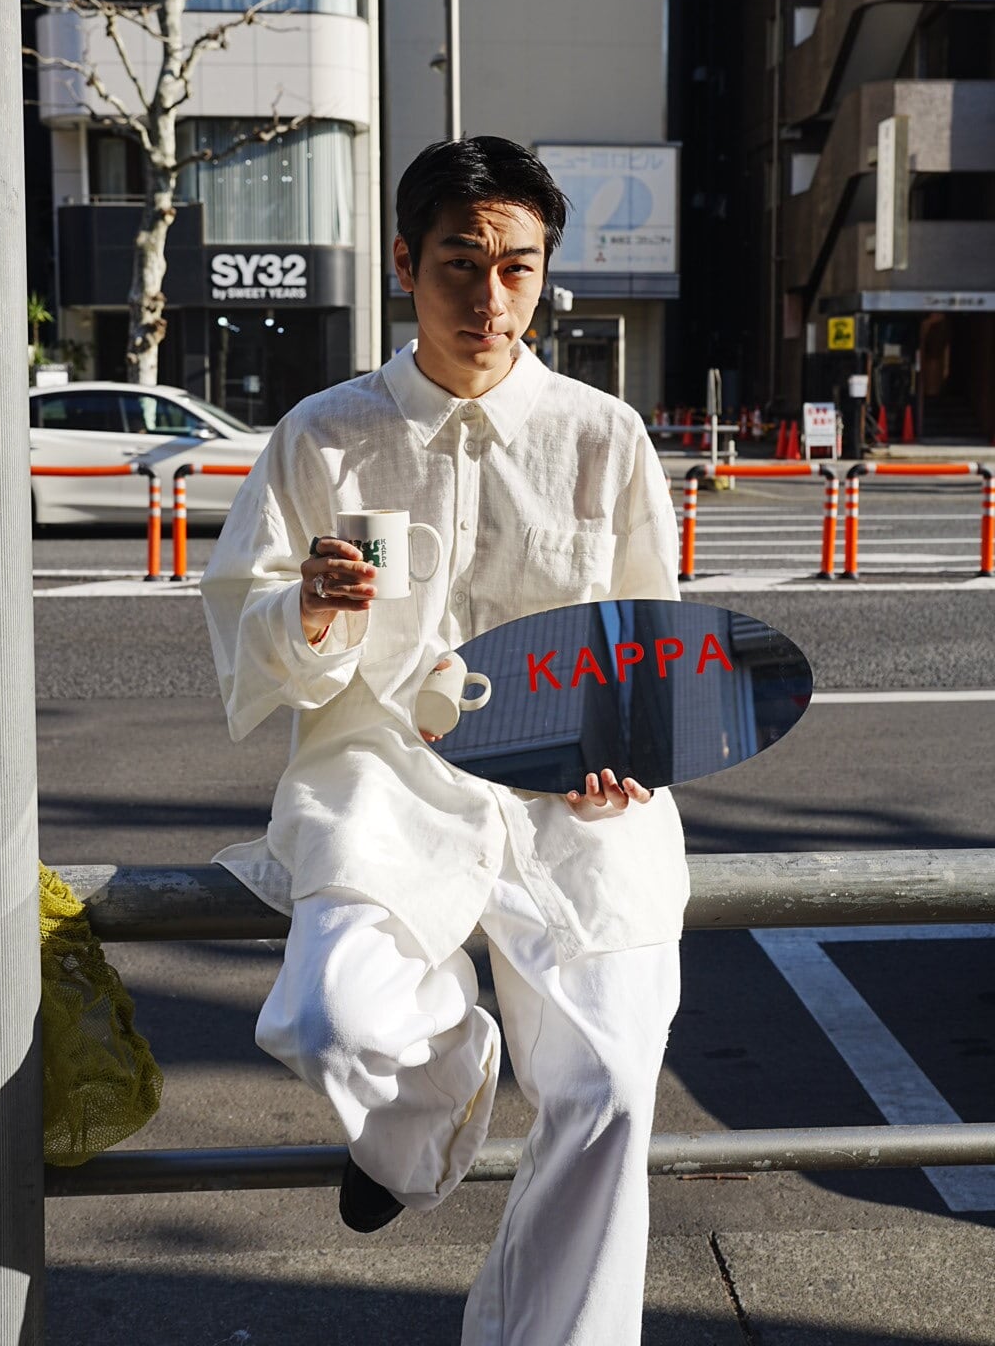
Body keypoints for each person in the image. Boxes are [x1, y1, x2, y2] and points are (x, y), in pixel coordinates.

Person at [200, 136, 688, 1345]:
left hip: (571, 797)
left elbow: (652, 637)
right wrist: (310, 610)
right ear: (405, 264)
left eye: (518, 266)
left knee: (612, 1092)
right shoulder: (323, 435)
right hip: (386, 779)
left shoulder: (602, 435)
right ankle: (440, 1091)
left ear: (544, 273)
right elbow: (245, 635)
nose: (492, 298)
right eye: (461, 263)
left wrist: (630, 746)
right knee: (330, 1018)